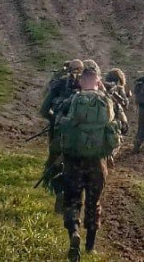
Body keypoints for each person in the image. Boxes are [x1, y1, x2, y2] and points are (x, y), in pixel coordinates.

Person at [55, 65, 124, 262]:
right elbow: (117, 129)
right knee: (93, 203)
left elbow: (60, 124)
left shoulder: (73, 99)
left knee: (72, 200)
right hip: (97, 163)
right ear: (98, 80)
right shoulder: (106, 100)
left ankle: (74, 233)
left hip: (74, 161)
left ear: (81, 80)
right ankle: (90, 247)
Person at [38, 59, 83, 212]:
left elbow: (44, 110)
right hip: (81, 136)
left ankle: (59, 192)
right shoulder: (90, 86)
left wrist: (55, 120)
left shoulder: (59, 83)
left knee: (54, 163)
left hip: (58, 132)